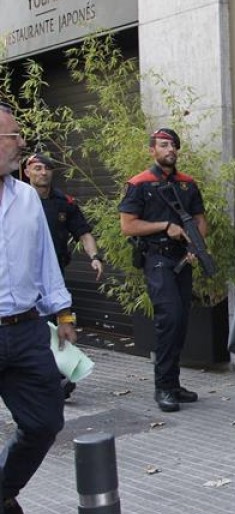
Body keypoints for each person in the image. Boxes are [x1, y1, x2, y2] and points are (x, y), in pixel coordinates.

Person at [0, 103, 77, 514]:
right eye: (11, 136)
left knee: (45, 422)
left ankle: (4, 493)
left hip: (26, 330)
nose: (20, 144)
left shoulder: (26, 198)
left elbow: (46, 257)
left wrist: (62, 311)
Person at [119, 128, 206, 413]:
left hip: (183, 259)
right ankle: (164, 387)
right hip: (157, 259)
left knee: (181, 321)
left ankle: (174, 383)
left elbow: (199, 220)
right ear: (152, 151)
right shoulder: (140, 184)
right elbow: (128, 226)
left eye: (174, 145)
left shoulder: (187, 184)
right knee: (169, 318)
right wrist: (164, 227)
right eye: (164, 144)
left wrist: (196, 246)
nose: (170, 149)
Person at [25, 152, 104, 399]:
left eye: (46, 169)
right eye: (37, 168)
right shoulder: (17, 201)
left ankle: (57, 377)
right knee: (32, 329)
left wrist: (94, 257)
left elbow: (84, 232)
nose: (42, 173)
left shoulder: (64, 202)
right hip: (24, 278)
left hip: (54, 276)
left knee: (56, 323)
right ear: (27, 172)